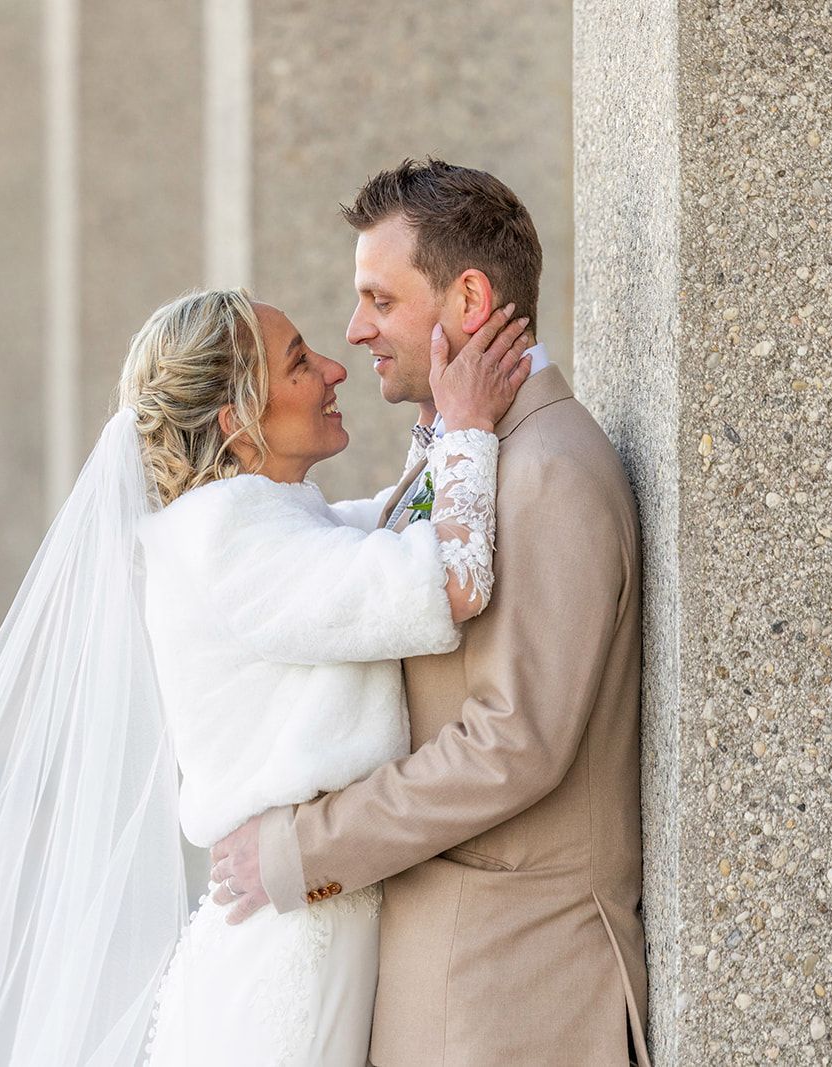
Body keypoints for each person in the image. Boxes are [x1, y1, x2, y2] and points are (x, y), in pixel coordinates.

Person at [0, 289, 532, 1065]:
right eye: (299, 362)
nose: (333, 368)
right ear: (237, 421)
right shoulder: (231, 541)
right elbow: (451, 576)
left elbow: (388, 533)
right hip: (290, 960)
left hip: (306, 917)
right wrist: (466, 426)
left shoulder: (261, 521)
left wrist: (441, 420)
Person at [209, 159, 653, 1066]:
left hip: (513, 994)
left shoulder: (550, 475)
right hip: (449, 981)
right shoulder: (479, 453)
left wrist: (300, 850)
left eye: (380, 299)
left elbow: (511, 744)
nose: (355, 329)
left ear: (471, 299)